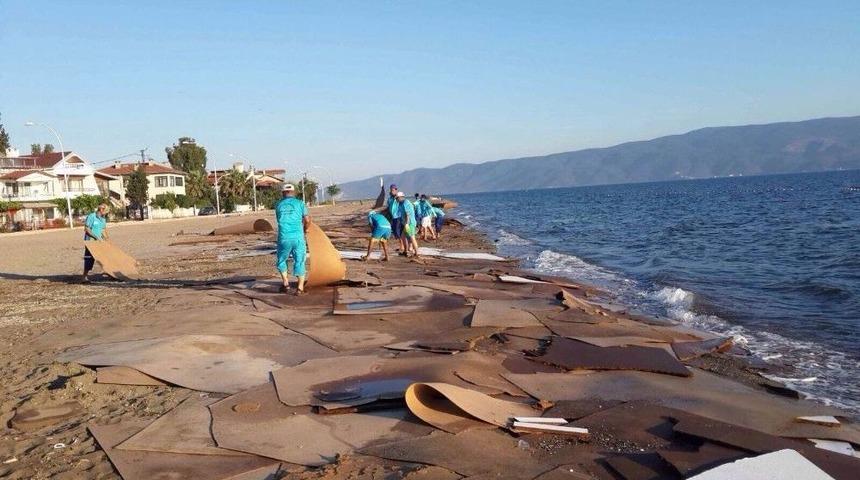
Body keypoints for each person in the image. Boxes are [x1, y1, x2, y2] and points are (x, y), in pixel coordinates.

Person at [275, 183, 310, 295]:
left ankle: (286, 284)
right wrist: (305, 229)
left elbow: (278, 219)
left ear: (283, 193)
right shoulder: (300, 203)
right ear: (294, 192)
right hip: (298, 237)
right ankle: (300, 288)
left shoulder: (278, 205)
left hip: (284, 237)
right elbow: (307, 220)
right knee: (299, 261)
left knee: (281, 260)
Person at [82, 203, 110, 283]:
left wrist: (107, 239)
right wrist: (96, 237)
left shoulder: (103, 219)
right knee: (89, 259)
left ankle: (110, 272)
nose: (107, 213)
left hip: (100, 242)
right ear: (101, 209)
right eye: (106, 211)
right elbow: (87, 229)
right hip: (90, 242)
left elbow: (103, 230)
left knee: (105, 257)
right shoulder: (91, 216)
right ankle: (84, 277)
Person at [397, 192, 420, 257]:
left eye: (397, 198)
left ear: (402, 197)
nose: (396, 199)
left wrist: (406, 224)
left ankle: (417, 253)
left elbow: (407, 215)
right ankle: (405, 251)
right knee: (403, 236)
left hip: (410, 223)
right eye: (396, 198)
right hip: (406, 223)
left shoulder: (406, 203)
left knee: (412, 237)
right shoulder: (400, 203)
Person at [387, 184, 404, 253]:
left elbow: (403, 204)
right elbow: (389, 207)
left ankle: (402, 246)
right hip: (393, 217)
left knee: (398, 231)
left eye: (393, 190)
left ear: (396, 190)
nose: (392, 191)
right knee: (395, 232)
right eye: (391, 190)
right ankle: (401, 245)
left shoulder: (398, 197)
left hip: (399, 217)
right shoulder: (390, 198)